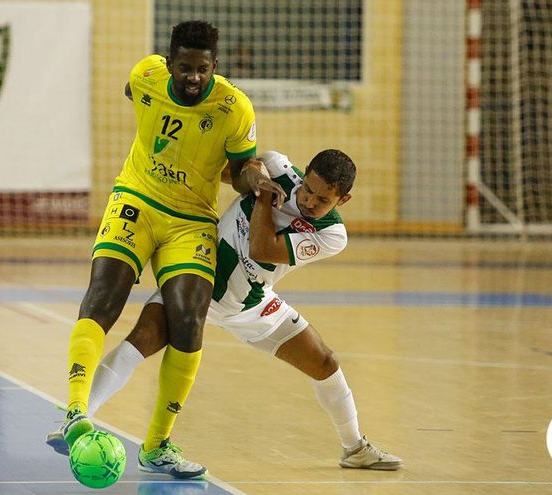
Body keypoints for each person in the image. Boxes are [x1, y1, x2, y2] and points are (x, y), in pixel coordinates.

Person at [58, 150, 403, 471]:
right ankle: (76, 419)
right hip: (196, 282)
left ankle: (354, 448)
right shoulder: (277, 166)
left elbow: (262, 247)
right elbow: (230, 174)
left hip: (251, 304)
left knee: (326, 363)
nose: (310, 201)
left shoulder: (332, 234)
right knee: (140, 341)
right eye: (308, 190)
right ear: (303, 175)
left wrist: (264, 196)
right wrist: (252, 174)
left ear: (344, 200)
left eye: (323, 199)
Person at [46, 20, 285, 480]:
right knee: (103, 298)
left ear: (215, 66)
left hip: (191, 219)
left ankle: (157, 445)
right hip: (136, 199)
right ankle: (76, 413)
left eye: (202, 69)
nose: (192, 77)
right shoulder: (146, 76)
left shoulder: (235, 108)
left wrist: (255, 180)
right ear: (169, 62)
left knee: (189, 321)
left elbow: (239, 170)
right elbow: (133, 92)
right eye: (184, 68)